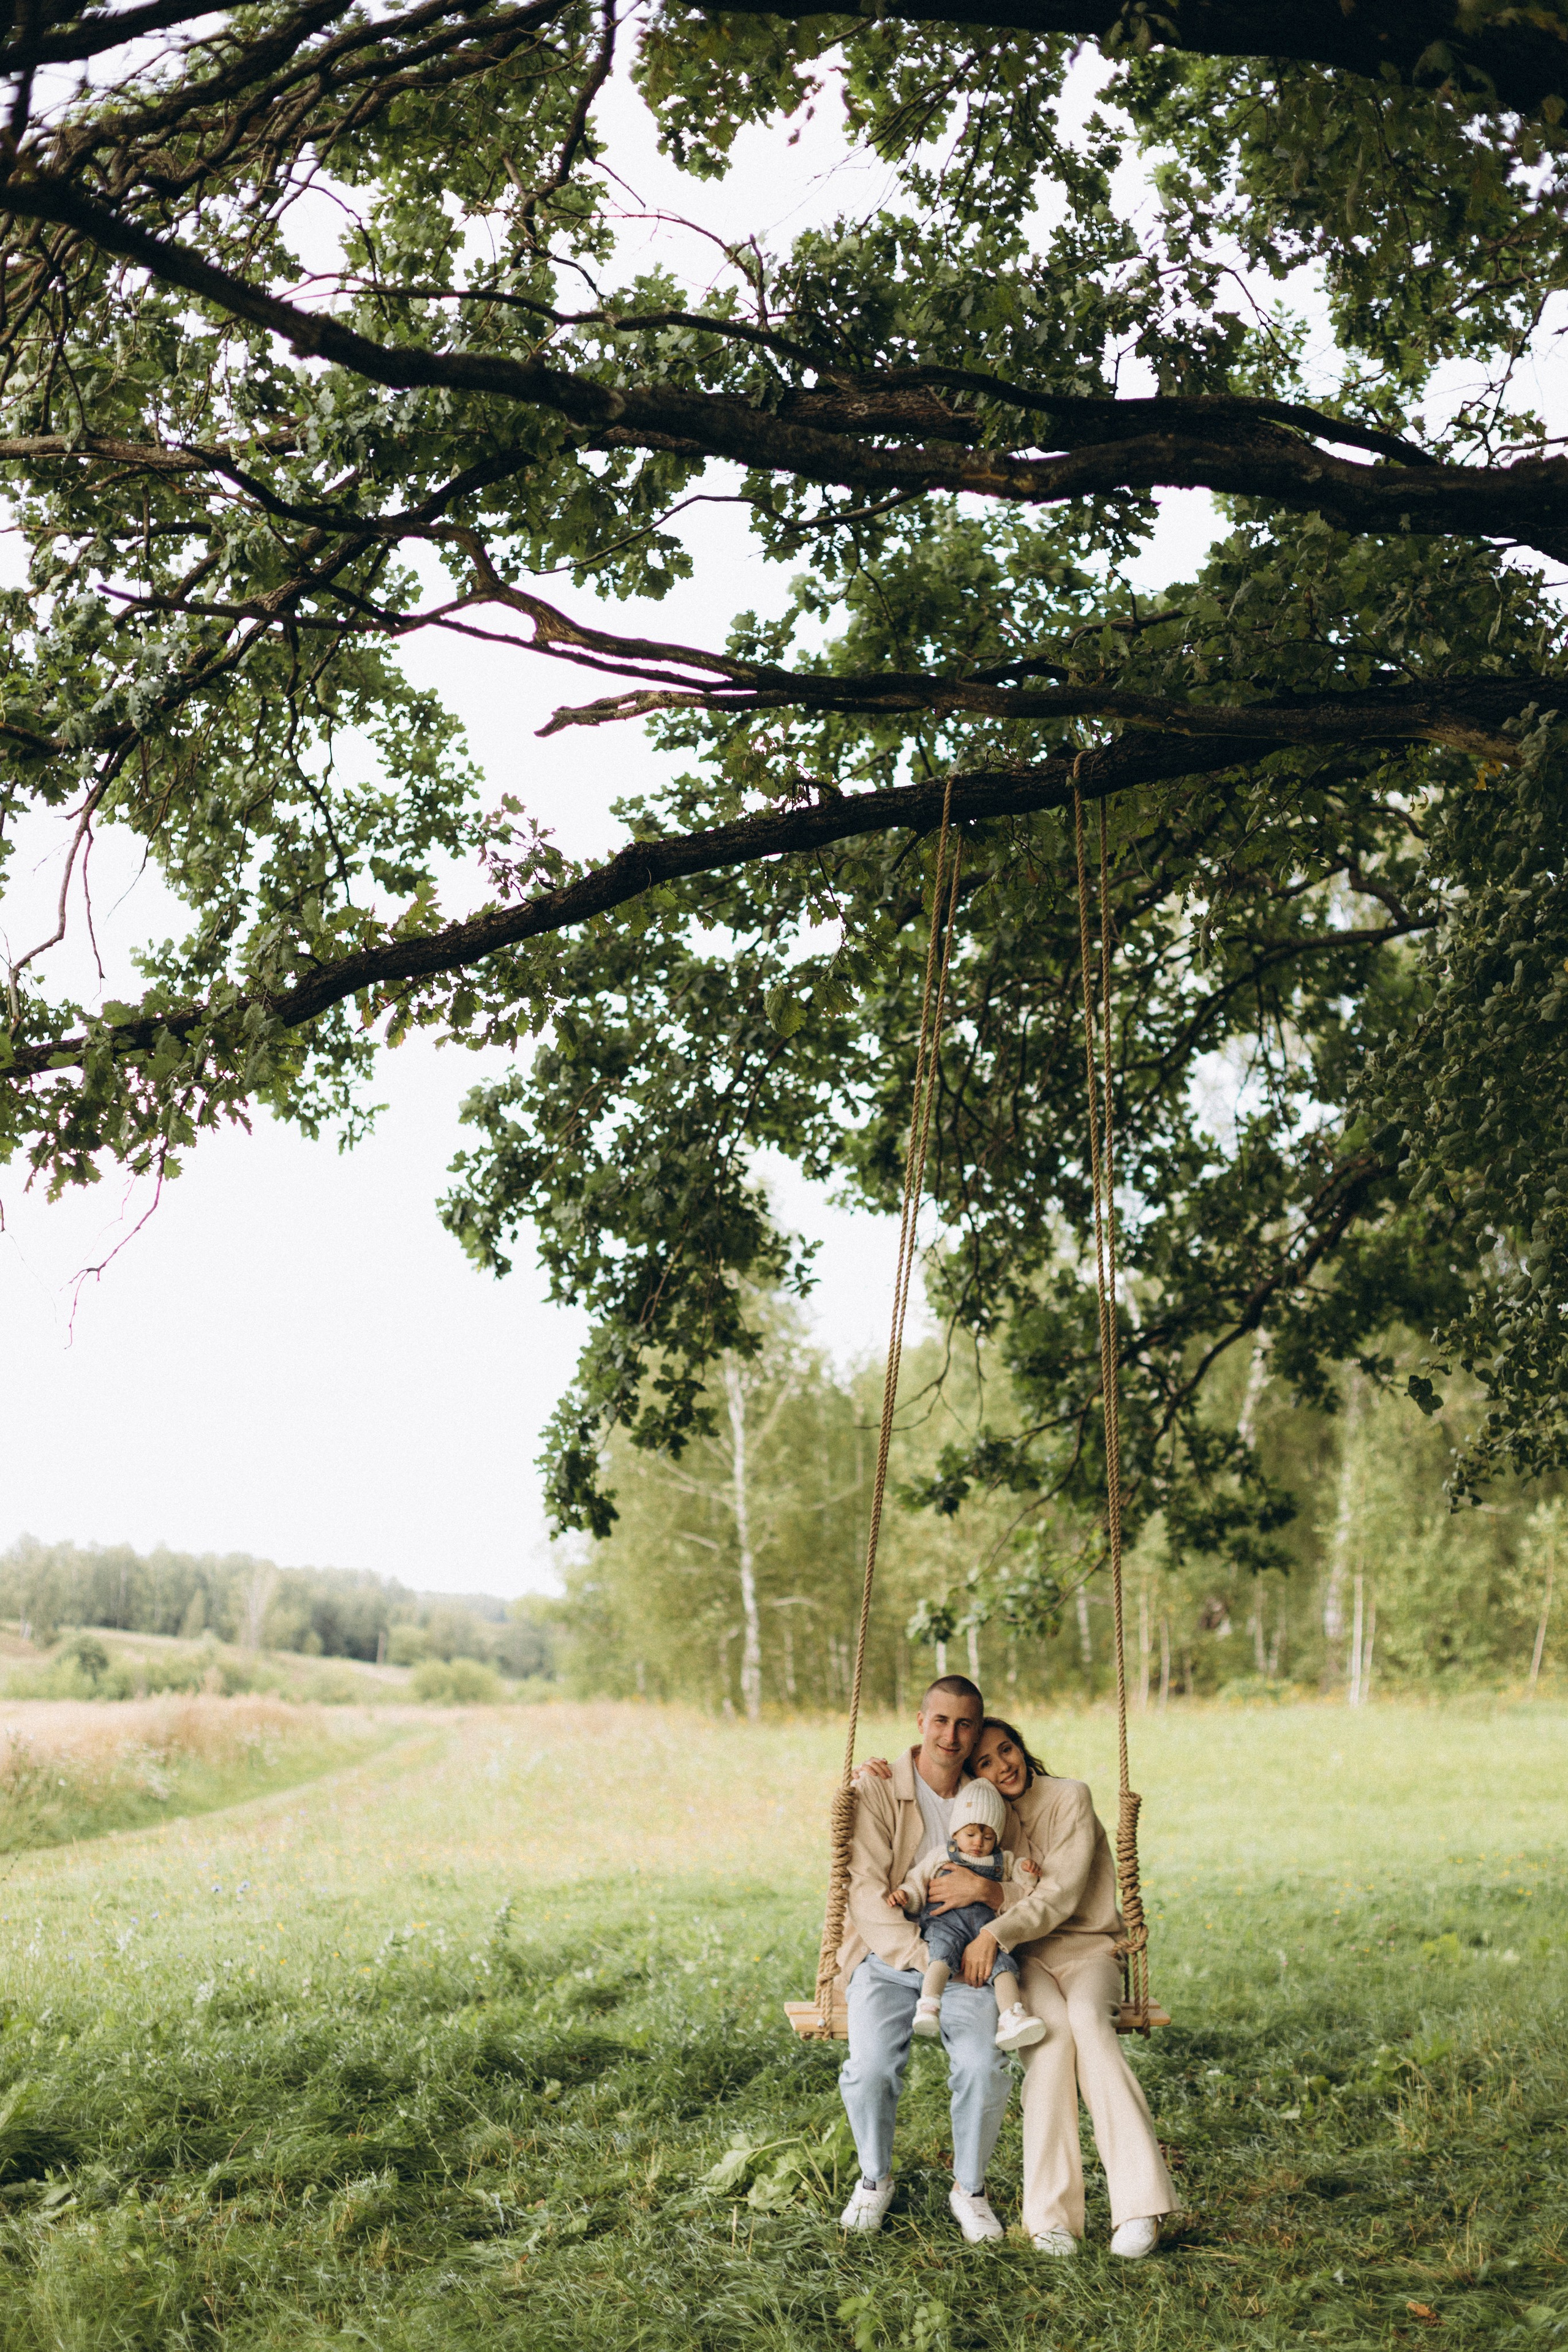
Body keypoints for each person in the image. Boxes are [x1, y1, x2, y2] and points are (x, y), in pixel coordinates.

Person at [968, 1716, 1177, 2261]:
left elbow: (1060, 1894)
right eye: (985, 1762)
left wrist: (995, 1921)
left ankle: (1141, 2207)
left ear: (1022, 1747)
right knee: (1052, 2038)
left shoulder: (1070, 1798)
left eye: (1006, 1749)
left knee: (1088, 2022)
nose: (1003, 1766)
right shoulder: (985, 1823)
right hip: (1028, 1960)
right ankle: (1050, 2218)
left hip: (1090, 1949)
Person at [832, 1675, 1017, 2245]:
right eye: (940, 1720)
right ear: (920, 1722)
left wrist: (991, 1904)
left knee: (984, 2066)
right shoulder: (879, 1788)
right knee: (870, 2067)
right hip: (889, 1954)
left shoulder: (986, 1796)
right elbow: (865, 1892)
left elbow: (1025, 1869)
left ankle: (971, 2190)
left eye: (965, 1725)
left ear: (977, 1732)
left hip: (966, 1960)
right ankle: (874, 2179)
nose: (951, 1736)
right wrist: (921, 1956)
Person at [886, 1777, 1046, 2051]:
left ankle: (1011, 2017)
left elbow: (1023, 1887)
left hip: (985, 1931)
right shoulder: (941, 1856)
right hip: (945, 1923)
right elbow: (917, 1882)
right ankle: (929, 2004)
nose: (978, 1843)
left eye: (988, 1837)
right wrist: (906, 1896)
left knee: (1004, 1966)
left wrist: (1027, 1872)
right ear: (956, 1832)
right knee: (941, 1954)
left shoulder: (1003, 1861)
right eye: (971, 1835)